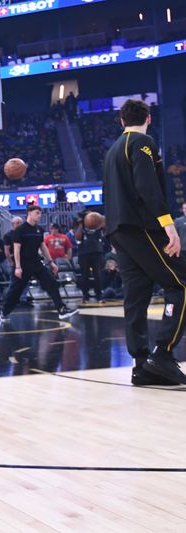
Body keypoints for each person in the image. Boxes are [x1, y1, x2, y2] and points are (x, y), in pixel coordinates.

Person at [103, 99, 186, 385]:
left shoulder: (113, 149)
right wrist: (169, 227)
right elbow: (148, 188)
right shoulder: (143, 142)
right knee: (182, 284)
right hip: (142, 228)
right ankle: (162, 355)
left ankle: (141, 364)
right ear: (148, 119)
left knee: (136, 296)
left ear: (121, 121)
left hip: (118, 230)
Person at [0, 205, 78, 322]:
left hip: (36, 262)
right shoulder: (20, 230)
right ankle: (4, 312)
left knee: (51, 283)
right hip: (23, 264)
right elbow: (16, 249)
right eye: (37, 213)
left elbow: (43, 246)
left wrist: (51, 262)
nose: (39, 216)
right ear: (29, 213)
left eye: (40, 213)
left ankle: (61, 310)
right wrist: (18, 267)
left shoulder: (39, 230)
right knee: (16, 291)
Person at [74, 213, 108, 303]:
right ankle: (85, 296)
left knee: (98, 274)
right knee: (85, 275)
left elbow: (105, 227)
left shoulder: (99, 223)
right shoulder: (79, 224)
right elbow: (77, 237)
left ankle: (99, 295)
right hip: (83, 252)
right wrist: (81, 224)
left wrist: (101, 221)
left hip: (97, 251)